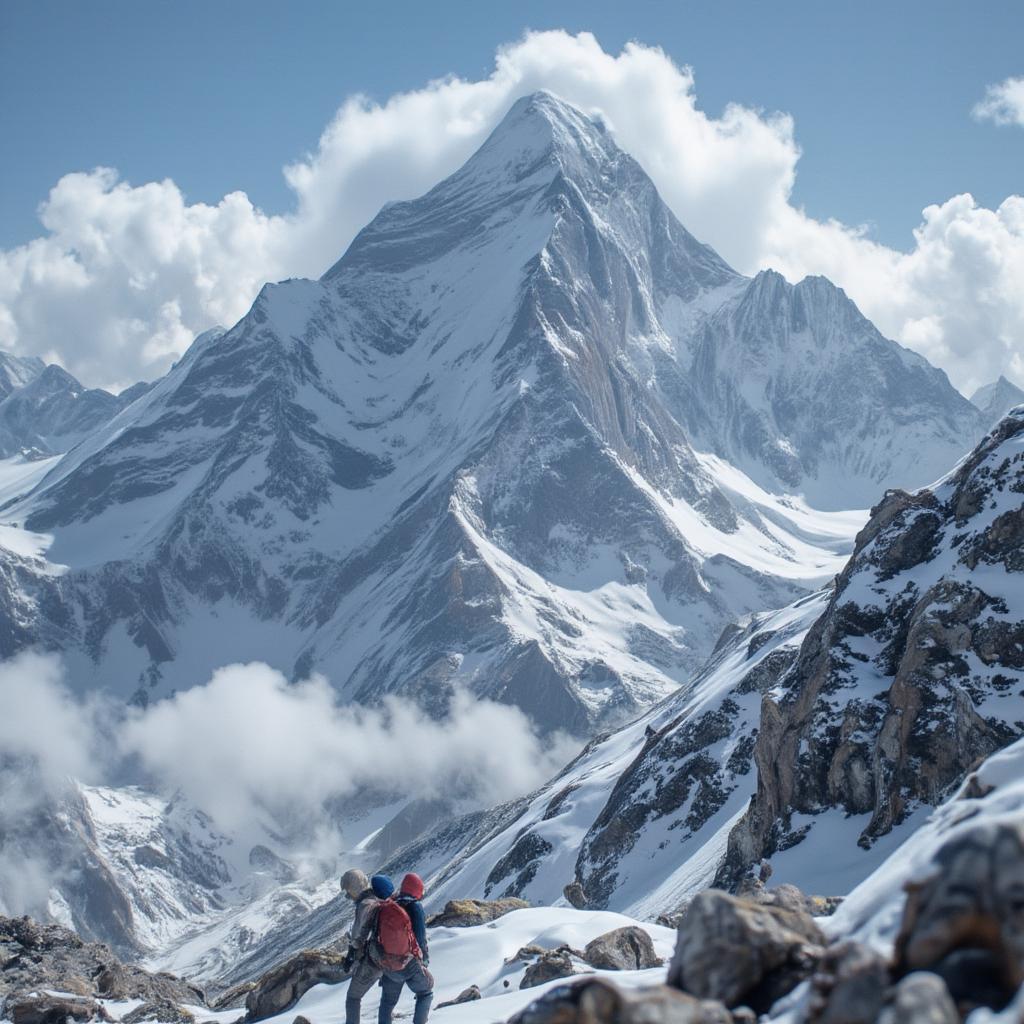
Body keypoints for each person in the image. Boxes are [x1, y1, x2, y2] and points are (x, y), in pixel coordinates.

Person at [377, 872, 433, 1024]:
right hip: (409, 963)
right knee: (425, 993)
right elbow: (420, 938)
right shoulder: (415, 907)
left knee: (387, 1003)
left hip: (389, 963)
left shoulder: (389, 904)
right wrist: (425, 959)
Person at [340, 870, 393, 1024]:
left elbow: (358, 936)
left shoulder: (364, 905)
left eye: (349, 891)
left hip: (374, 960)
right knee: (387, 1000)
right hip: (390, 958)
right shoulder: (378, 900)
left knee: (353, 998)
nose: (348, 896)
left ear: (354, 887)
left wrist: (350, 957)